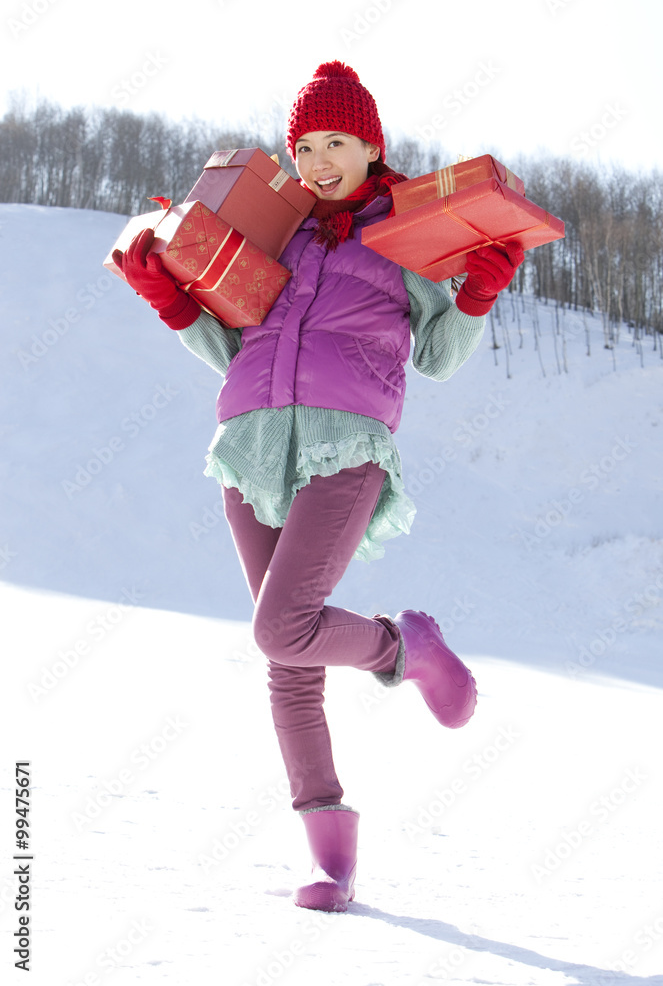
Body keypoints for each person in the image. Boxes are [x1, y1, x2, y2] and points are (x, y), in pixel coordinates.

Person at [113, 61, 524, 914]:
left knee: (280, 626)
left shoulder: (405, 233)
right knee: (285, 656)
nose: (319, 158)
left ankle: (403, 648)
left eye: (336, 141)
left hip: (345, 445)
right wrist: (173, 303)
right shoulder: (275, 234)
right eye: (303, 145)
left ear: (371, 144)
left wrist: (478, 291)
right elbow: (236, 352)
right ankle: (329, 858)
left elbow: (440, 358)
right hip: (251, 444)